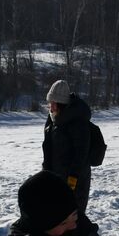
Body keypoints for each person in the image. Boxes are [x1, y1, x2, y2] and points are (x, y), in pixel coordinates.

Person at [42, 79, 95, 211]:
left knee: (74, 215)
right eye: (50, 103)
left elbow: (81, 154)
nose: (50, 107)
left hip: (75, 181)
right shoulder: (53, 120)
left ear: (61, 104)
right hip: (56, 177)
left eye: (53, 103)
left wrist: (72, 182)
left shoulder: (77, 122)